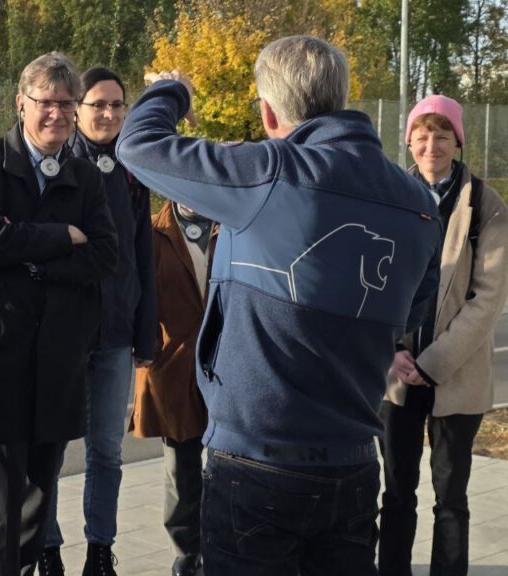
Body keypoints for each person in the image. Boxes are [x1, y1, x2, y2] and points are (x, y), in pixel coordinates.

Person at [116, 35, 443, 575]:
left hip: (256, 463)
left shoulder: (270, 171)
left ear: (268, 112)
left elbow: (138, 144)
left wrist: (171, 89)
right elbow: (410, 315)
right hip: (356, 462)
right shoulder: (417, 203)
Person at [0, 52, 118, 576]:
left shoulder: (85, 177)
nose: (58, 115)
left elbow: (105, 255)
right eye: (46, 103)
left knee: (38, 499)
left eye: (67, 104)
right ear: (21, 104)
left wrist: (36, 263)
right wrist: (62, 238)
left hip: (61, 355)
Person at [379, 95, 508, 576]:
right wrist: (392, 352)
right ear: (409, 140)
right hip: (394, 376)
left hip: (456, 377)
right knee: (396, 494)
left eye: (442, 135)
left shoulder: (486, 207)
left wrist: (431, 363)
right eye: (422, 134)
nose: (431, 144)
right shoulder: (388, 197)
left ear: (458, 141)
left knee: (451, 499)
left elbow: (488, 298)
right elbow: (371, 282)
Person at [39, 66, 156, 576]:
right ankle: (45, 546)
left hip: (113, 337)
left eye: (116, 105)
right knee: (47, 444)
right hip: (62, 335)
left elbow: (143, 255)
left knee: (106, 451)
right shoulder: (57, 165)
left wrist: (145, 330)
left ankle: (100, 550)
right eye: (97, 104)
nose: (108, 114)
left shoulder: (132, 170)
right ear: (77, 109)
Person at [130, 201, 217, 576]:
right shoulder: (151, 231)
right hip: (172, 364)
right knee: (181, 468)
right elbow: (136, 295)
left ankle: (219, 544)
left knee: (227, 465)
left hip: (225, 362)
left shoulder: (231, 224)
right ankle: (186, 550)